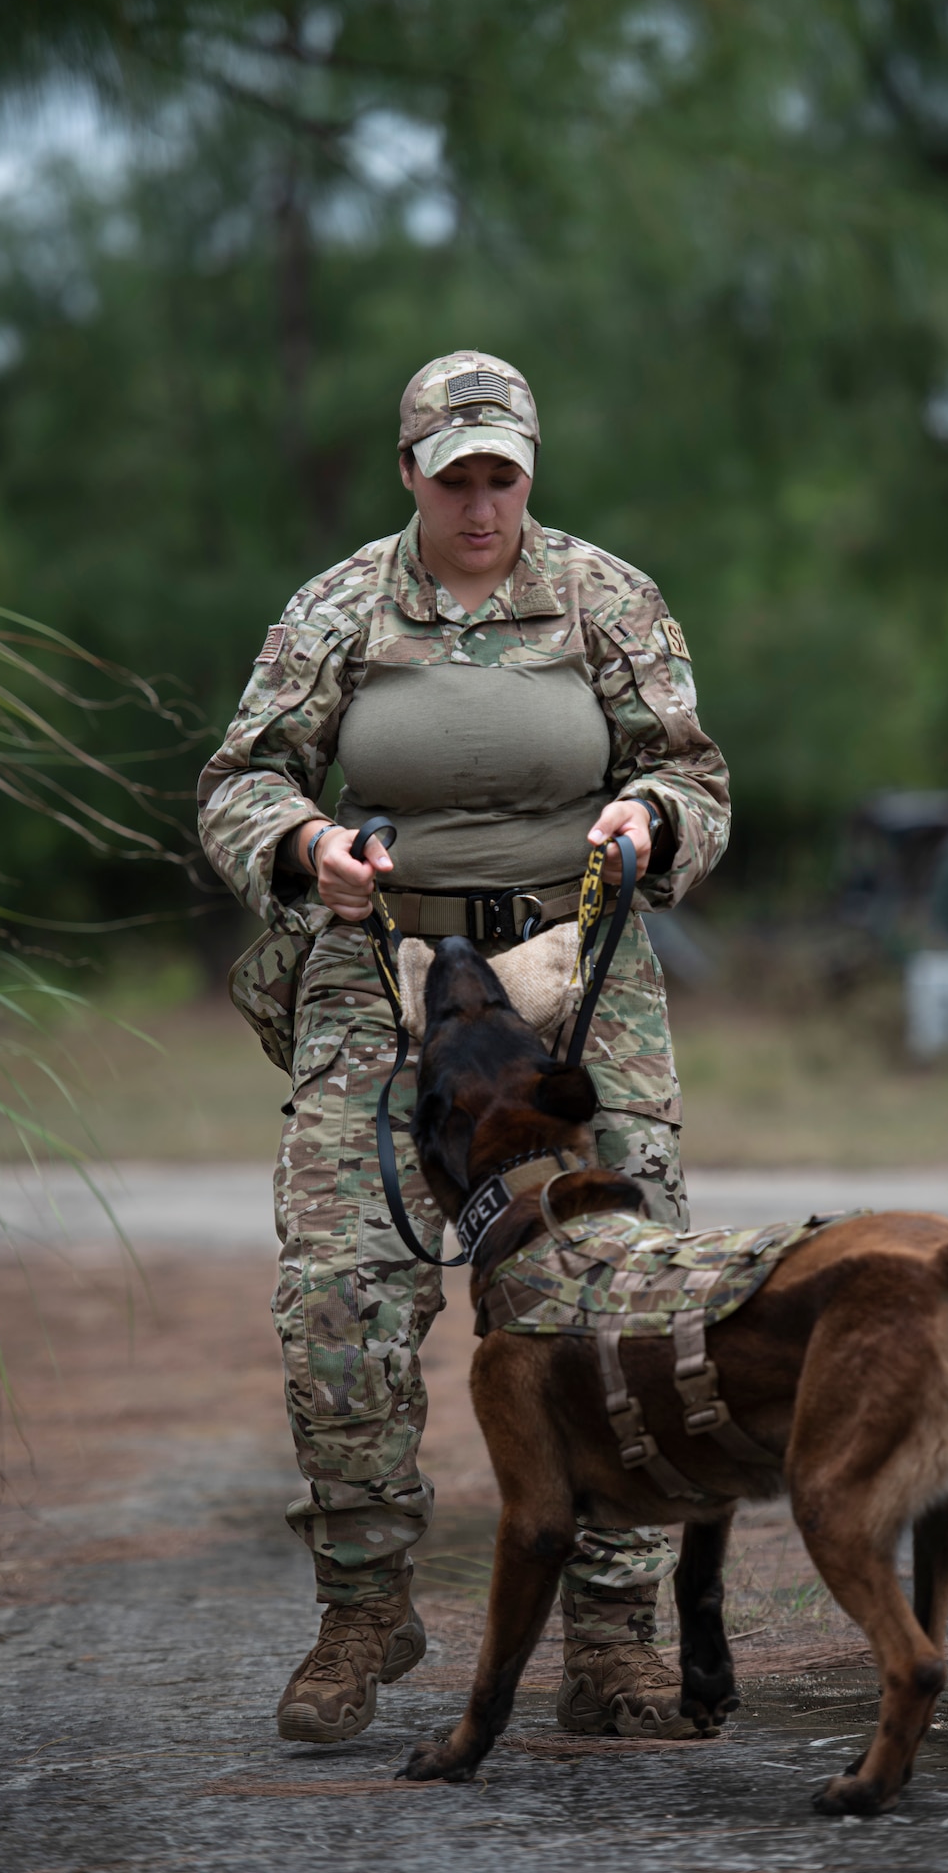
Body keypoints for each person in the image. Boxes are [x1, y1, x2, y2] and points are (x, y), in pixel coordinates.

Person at [197, 349, 730, 1746]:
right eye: (455, 479)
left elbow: (693, 772)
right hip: (383, 973)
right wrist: (305, 843)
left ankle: (613, 1636)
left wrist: (651, 821)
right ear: (410, 475)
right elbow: (238, 782)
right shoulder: (338, 607)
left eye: (502, 476)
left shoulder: (605, 598)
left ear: (529, 470)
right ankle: (363, 1611)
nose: (480, 504)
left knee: (610, 1298)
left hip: (573, 976)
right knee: (339, 1302)